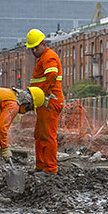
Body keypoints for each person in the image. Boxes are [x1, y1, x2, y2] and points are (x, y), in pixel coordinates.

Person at [26, 28, 65, 174]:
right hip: (44, 102)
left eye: (36, 47)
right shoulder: (42, 58)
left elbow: (52, 76)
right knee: (40, 134)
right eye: (32, 48)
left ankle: (50, 168)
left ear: (43, 44)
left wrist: (46, 95)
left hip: (50, 102)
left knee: (47, 135)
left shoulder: (49, 57)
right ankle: (41, 165)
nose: (34, 51)